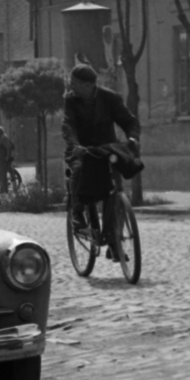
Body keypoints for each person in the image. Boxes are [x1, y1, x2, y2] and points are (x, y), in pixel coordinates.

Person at [61, 64, 140, 256]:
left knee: (114, 190)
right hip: (82, 150)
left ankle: (114, 241)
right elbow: (68, 125)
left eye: (74, 84)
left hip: (106, 150)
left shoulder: (110, 98)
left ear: (87, 85)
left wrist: (133, 137)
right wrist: (74, 145)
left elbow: (129, 121)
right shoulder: (71, 100)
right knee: (79, 169)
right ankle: (77, 213)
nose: (71, 87)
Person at [0, 125, 16, 194]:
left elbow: (8, 147)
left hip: (3, 160)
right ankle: (3, 189)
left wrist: (7, 156)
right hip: (1, 160)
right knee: (1, 174)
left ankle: (3, 190)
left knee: (2, 175)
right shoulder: (1, 138)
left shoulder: (3, 138)